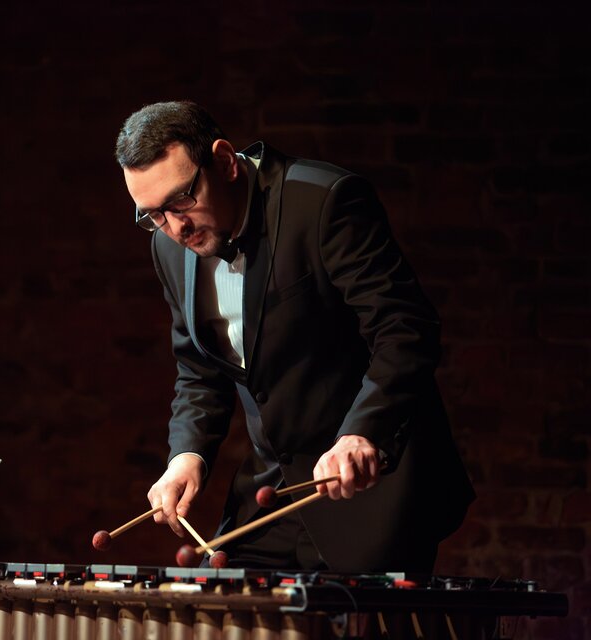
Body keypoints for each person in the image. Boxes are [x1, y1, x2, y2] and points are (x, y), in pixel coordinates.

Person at [115, 101, 474, 572]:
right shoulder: (168, 246)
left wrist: (363, 432)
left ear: (224, 161)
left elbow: (404, 330)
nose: (175, 227)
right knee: (215, 603)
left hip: (372, 486)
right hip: (274, 489)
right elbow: (200, 369)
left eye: (181, 200)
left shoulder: (324, 203)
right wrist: (187, 454)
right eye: (153, 214)